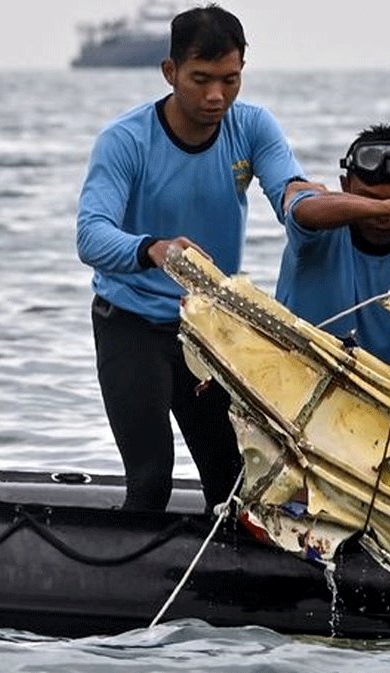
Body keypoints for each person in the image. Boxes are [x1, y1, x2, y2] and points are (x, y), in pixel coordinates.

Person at [76, 5, 310, 512]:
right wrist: (153, 248)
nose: (215, 96)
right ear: (170, 72)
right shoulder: (125, 140)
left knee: (234, 486)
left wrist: (355, 208)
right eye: (201, 80)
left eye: (230, 80)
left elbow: (289, 194)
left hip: (209, 332)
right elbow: (90, 237)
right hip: (131, 325)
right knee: (151, 480)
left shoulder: (250, 127)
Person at [276, 124, 390, 366]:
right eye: (369, 198)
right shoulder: (317, 231)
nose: (384, 215)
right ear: (345, 186)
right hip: (294, 372)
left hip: (378, 393)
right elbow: (301, 210)